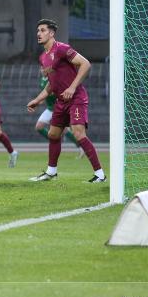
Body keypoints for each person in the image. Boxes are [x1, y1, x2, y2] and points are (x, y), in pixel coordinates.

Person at [28, 19, 105, 183]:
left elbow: (85, 64)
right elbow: (51, 83)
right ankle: (51, 172)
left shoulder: (62, 49)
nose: (39, 34)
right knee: (53, 134)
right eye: (38, 31)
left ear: (51, 33)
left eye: (42, 30)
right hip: (60, 101)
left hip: (76, 98)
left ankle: (100, 174)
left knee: (78, 133)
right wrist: (37, 99)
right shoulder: (44, 57)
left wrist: (72, 87)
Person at [34, 69, 83, 157]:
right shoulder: (43, 79)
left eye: (43, 68)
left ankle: (80, 145)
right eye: (41, 68)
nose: (42, 70)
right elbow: (45, 95)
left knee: (64, 130)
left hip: (57, 108)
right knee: (39, 127)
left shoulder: (52, 79)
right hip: (49, 109)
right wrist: (37, 102)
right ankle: (56, 141)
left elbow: (55, 92)